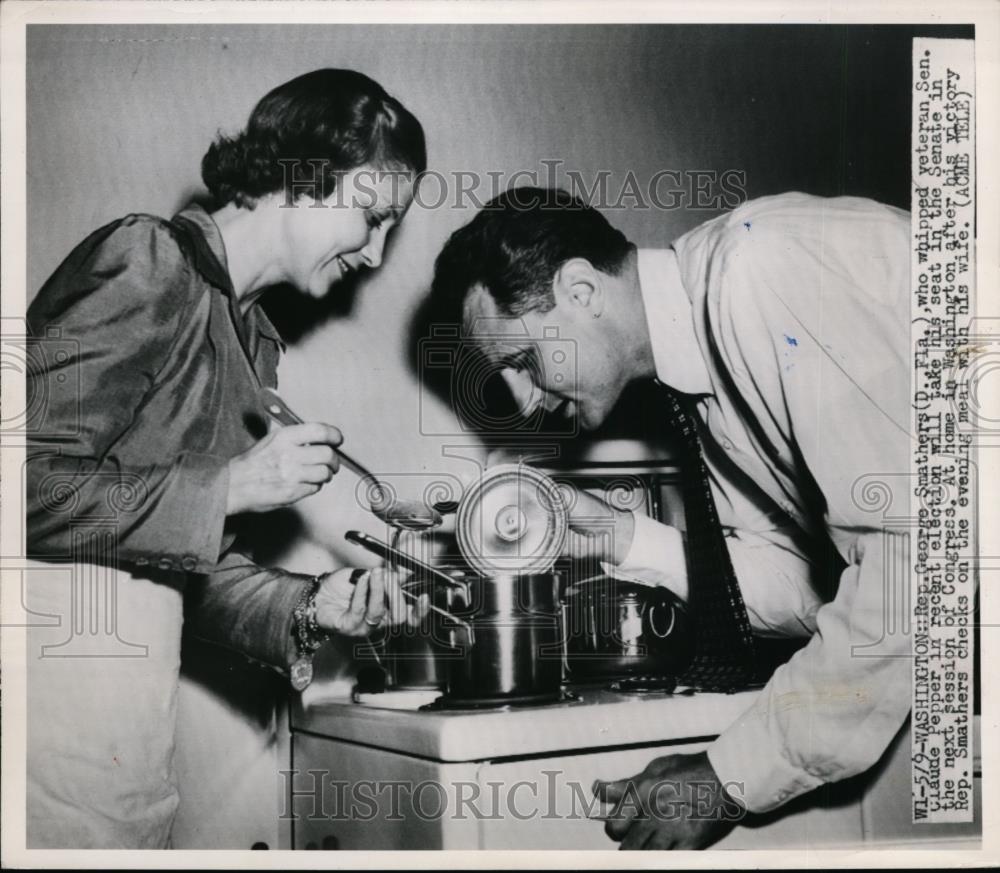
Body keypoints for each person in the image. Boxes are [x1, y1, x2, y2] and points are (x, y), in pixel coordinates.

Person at [429, 186, 912, 849]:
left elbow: (915, 567)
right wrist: (620, 536)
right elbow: (806, 589)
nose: (522, 400)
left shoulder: (758, 272)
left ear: (581, 289)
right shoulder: (704, 381)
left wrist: (725, 776)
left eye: (519, 360)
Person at [25, 68, 428, 848]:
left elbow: (168, 555)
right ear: (302, 176)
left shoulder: (245, 334)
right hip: (44, 711)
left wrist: (312, 604)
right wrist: (236, 482)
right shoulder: (150, 260)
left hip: (124, 737)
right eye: (372, 216)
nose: (377, 255)